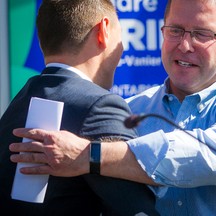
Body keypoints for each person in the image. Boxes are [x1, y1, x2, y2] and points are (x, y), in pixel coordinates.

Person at [9, 0, 216, 215]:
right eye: (175, 31)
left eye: (202, 34)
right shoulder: (128, 112)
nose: (185, 45)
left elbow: (215, 154)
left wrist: (91, 156)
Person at [0, 0, 159, 215]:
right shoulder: (100, 106)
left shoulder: (20, 101)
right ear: (103, 30)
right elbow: (139, 210)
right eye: (122, 36)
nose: (122, 47)